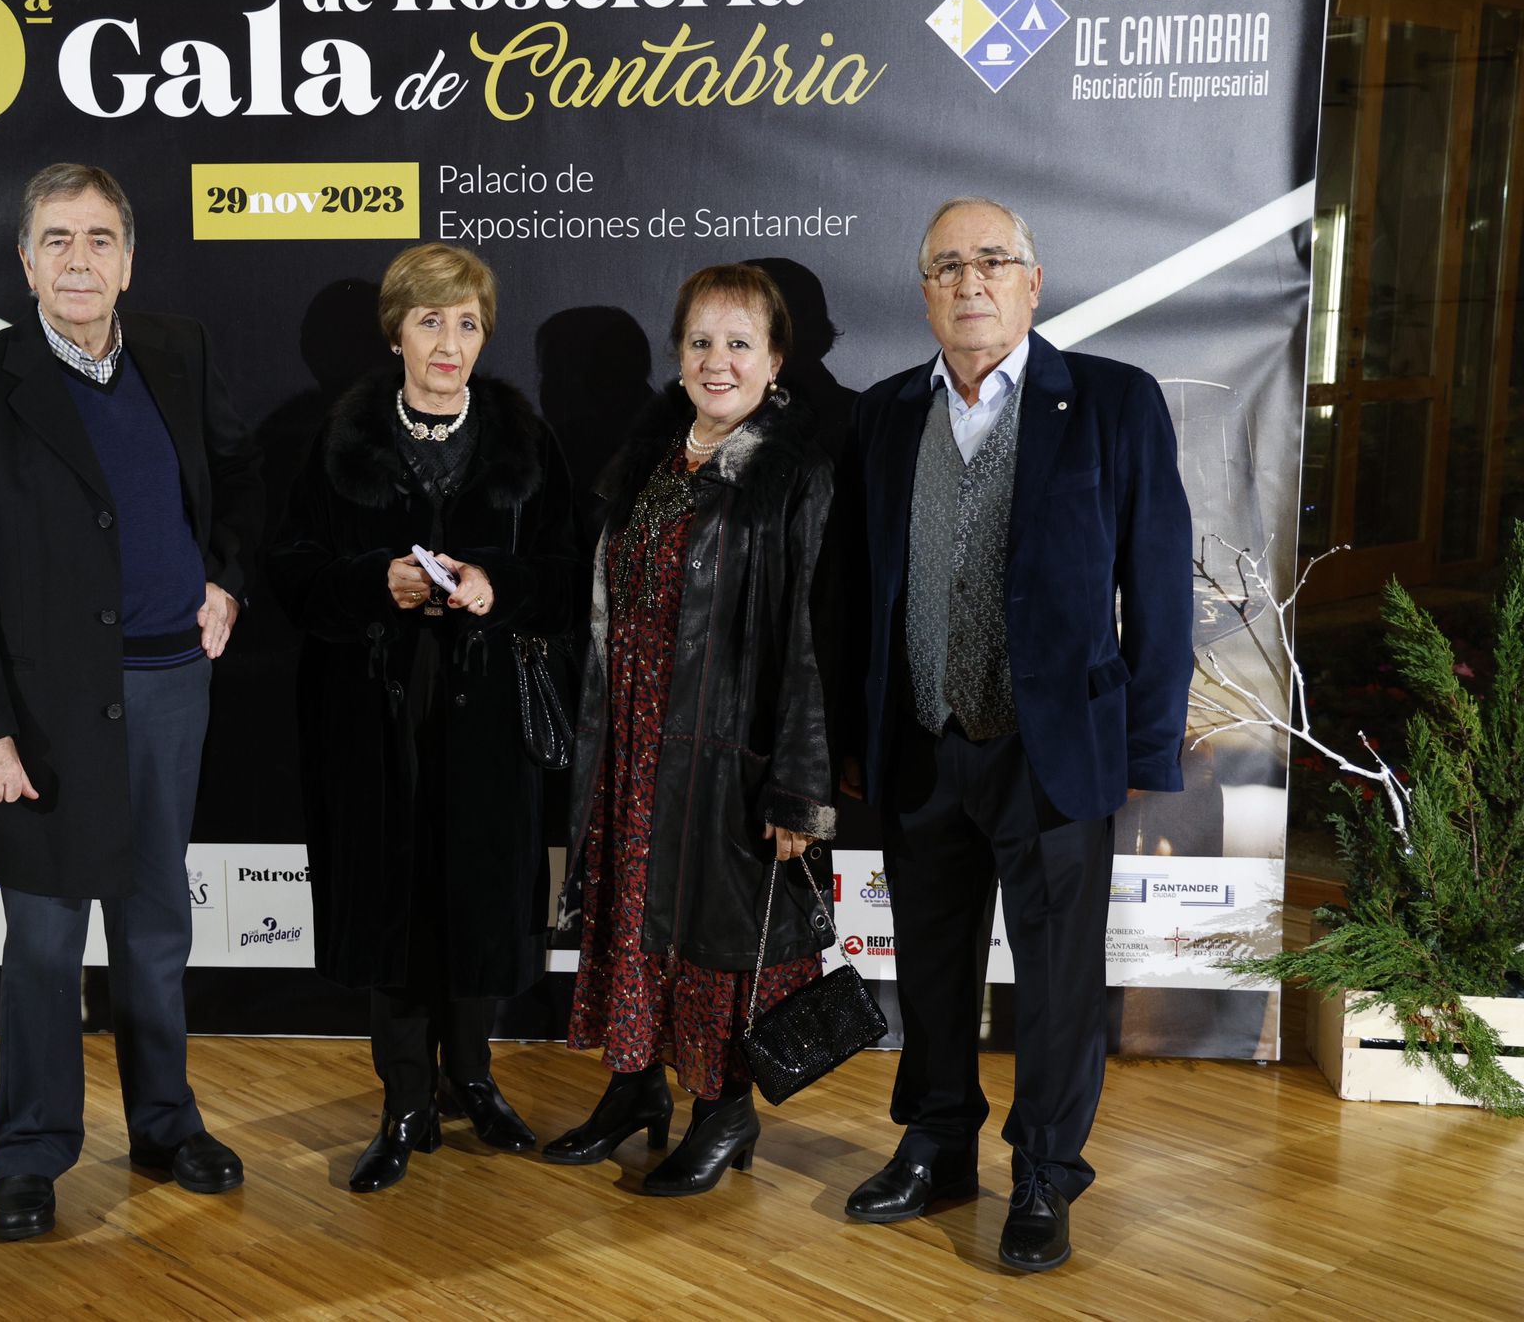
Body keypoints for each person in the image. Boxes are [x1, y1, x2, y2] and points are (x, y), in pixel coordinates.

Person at [836, 197, 1191, 1271]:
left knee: (1055, 983)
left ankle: (1042, 1169)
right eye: (946, 265)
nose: (969, 280)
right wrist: (854, 737)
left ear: (1032, 283)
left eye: (992, 260)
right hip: (921, 738)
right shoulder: (885, 413)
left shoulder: (1113, 404)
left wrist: (1139, 750)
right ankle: (938, 1140)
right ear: (925, 290)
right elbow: (856, 591)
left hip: (1054, 752)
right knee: (933, 966)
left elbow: (1159, 592)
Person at [0, 162, 263, 1241]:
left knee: (157, 929)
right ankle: (28, 1154)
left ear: (127, 257)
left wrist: (225, 578)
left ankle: (165, 1123)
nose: (78, 259)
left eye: (99, 238)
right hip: (44, 714)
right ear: (24, 261)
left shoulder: (176, 352)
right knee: (45, 943)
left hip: (169, 690)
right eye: (56, 239)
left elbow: (237, 479)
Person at [265, 242, 580, 1194]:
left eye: (469, 324)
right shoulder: (337, 440)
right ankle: (405, 1099)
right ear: (397, 331)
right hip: (372, 718)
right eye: (432, 321)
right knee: (393, 905)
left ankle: (473, 1079)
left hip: (491, 724)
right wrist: (378, 582)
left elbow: (570, 577)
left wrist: (500, 586)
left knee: (479, 901)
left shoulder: (527, 443)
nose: (450, 343)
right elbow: (292, 574)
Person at [548, 263, 837, 1197]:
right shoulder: (648, 463)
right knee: (636, 925)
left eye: (740, 343)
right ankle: (635, 1086)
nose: (718, 362)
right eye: (701, 342)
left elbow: (812, 639)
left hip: (725, 756)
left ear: (776, 360)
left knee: (717, 941)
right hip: (632, 745)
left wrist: (799, 783)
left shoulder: (795, 474)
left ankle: (725, 1110)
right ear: (678, 359)